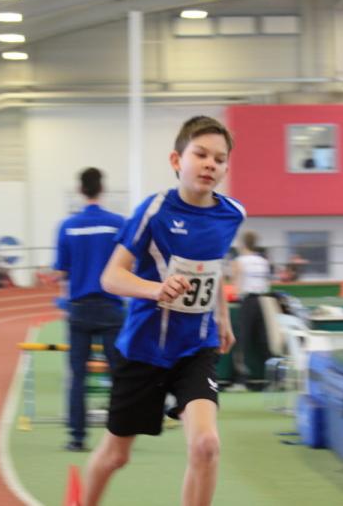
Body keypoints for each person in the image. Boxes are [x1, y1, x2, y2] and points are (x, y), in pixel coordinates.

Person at [84, 116, 243, 506]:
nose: (210, 164)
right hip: (144, 350)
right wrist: (157, 289)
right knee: (116, 456)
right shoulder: (153, 211)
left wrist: (222, 316)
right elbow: (111, 277)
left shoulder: (232, 214)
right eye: (200, 154)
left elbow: (213, 267)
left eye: (219, 159)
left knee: (206, 444)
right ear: (177, 160)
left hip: (195, 348)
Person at [54, 167, 126, 452]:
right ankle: (122, 433)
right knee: (120, 376)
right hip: (111, 308)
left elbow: (62, 272)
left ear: (80, 190)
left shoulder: (67, 227)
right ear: (102, 188)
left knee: (78, 377)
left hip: (79, 309)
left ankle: (77, 437)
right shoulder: (118, 224)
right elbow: (129, 264)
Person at [231, 230, 272, 387]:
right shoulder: (263, 261)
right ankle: (271, 377)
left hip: (248, 301)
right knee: (264, 340)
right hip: (263, 301)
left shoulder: (239, 261)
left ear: (243, 244)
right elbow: (267, 283)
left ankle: (240, 379)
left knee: (242, 340)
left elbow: (236, 285)